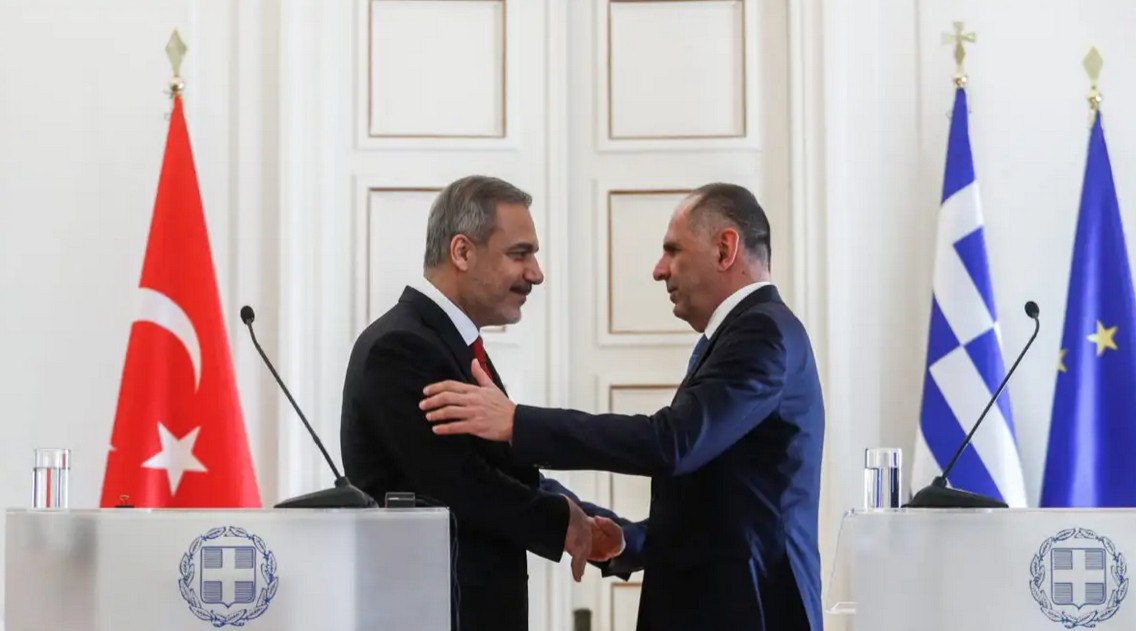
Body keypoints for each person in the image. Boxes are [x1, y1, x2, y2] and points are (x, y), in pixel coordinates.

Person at [421, 183, 825, 631]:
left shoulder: (762, 333)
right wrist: (630, 541)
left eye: (673, 250)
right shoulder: (746, 333)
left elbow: (672, 442)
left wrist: (517, 422)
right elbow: (722, 509)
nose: (659, 270)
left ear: (725, 248)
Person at [340, 175, 625, 631]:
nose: (536, 273)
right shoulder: (401, 347)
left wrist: (579, 518)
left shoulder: (446, 342)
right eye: (520, 254)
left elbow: (500, 469)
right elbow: (456, 483)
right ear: (462, 252)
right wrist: (561, 523)